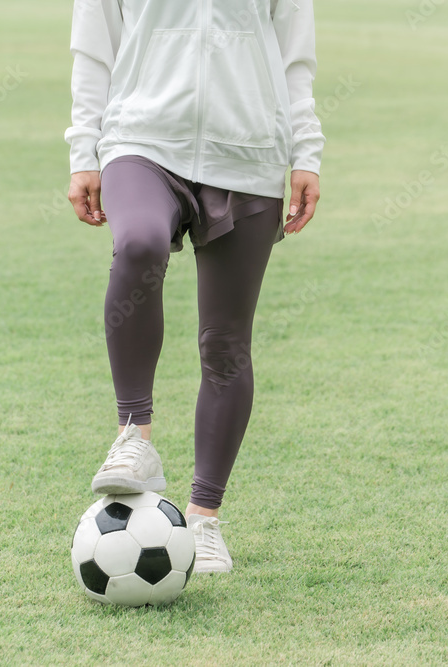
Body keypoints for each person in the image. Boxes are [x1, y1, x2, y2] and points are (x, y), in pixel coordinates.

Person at [64, 0, 324, 574]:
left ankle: (204, 518)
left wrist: (306, 151)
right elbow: (94, 45)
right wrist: (84, 150)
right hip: (142, 138)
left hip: (249, 153)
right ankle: (134, 436)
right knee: (139, 244)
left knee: (225, 344)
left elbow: (295, 56)